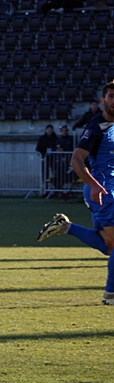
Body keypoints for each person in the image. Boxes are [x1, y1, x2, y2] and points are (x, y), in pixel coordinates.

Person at [37, 81, 114, 305]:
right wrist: (95, 185)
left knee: (108, 245)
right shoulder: (97, 126)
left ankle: (65, 226)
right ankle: (110, 295)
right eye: (111, 96)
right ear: (102, 101)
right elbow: (76, 160)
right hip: (103, 191)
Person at [52, 124, 76, 191]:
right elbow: (57, 148)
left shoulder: (71, 139)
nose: (64, 132)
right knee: (59, 174)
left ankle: (59, 189)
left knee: (67, 174)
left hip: (69, 161)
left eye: (65, 130)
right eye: (63, 130)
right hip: (60, 162)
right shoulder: (58, 139)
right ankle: (58, 189)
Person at [36, 123, 59, 188]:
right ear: (45, 130)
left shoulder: (56, 138)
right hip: (45, 158)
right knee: (45, 173)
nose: (49, 130)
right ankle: (45, 186)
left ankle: (56, 186)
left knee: (55, 172)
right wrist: (42, 155)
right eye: (48, 129)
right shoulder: (42, 138)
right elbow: (38, 148)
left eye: (50, 129)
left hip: (53, 158)